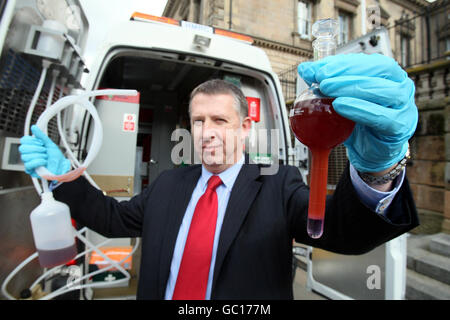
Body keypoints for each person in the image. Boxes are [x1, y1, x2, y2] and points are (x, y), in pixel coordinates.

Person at [19, 53, 419, 300]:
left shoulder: (278, 183)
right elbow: (112, 218)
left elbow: (343, 232)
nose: (206, 131)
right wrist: (61, 178)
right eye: (198, 120)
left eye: (219, 120)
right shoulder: (169, 185)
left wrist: (378, 169)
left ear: (245, 127)